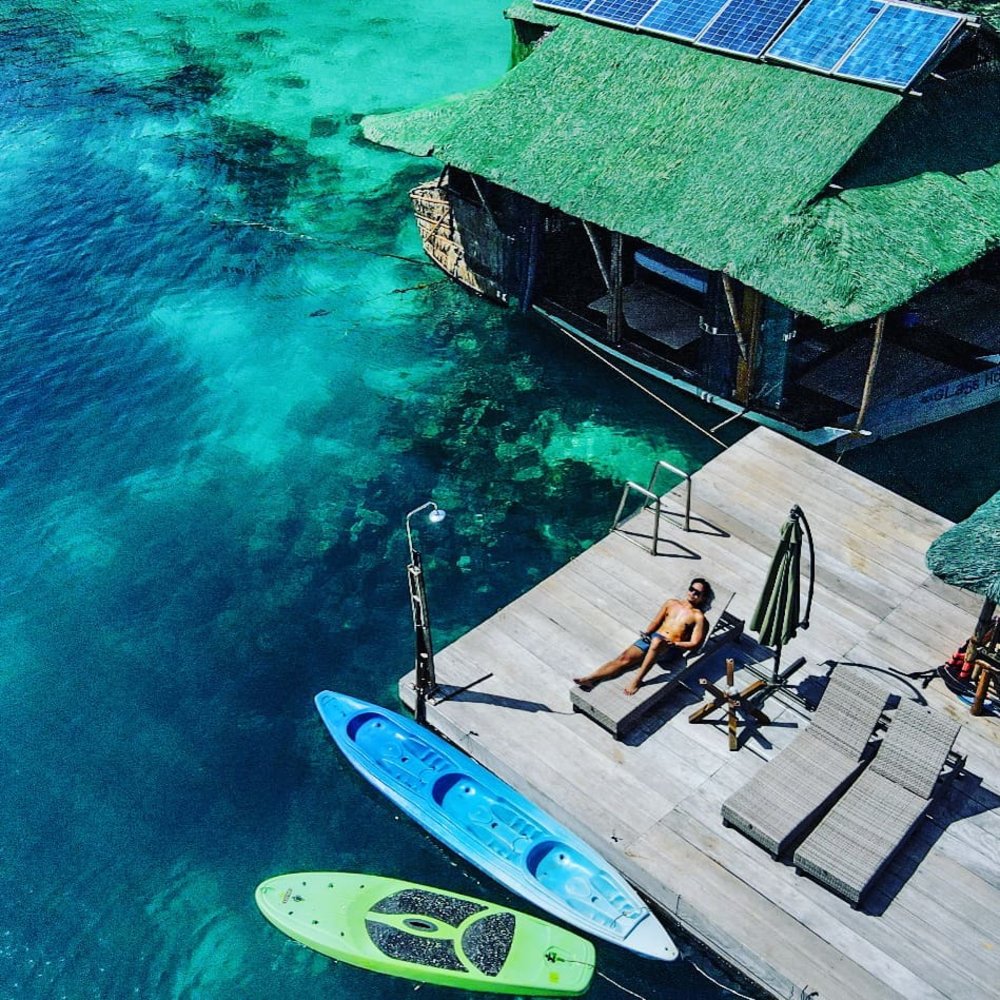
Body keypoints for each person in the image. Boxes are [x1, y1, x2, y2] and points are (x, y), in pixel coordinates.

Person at [573, 578, 713, 696]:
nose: (693, 593)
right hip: (654, 638)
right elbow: (656, 622)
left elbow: (695, 644)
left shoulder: (698, 617)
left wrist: (675, 644)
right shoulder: (671, 603)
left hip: (671, 648)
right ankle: (590, 679)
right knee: (624, 659)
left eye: (698, 593)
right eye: (691, 589)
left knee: (657, 642)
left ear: (703, 597)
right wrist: (647, 633)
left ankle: (637, 679)